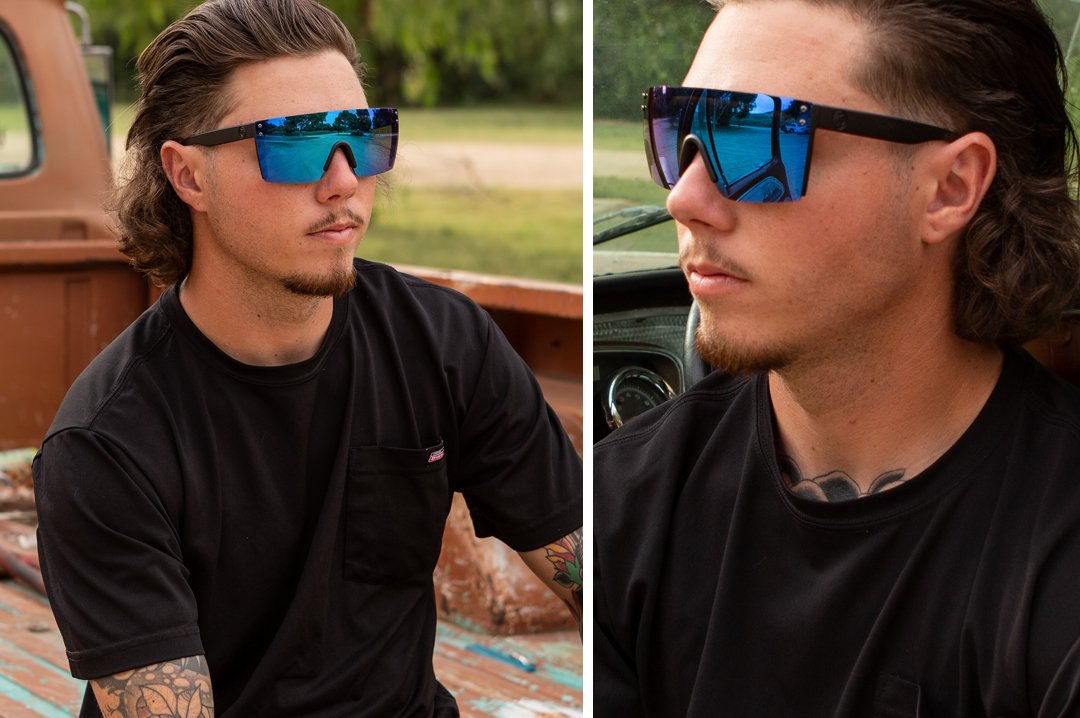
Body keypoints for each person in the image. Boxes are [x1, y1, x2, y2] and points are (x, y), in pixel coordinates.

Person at [32, 1, 583, 716]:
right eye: (296, 145)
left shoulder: (444, 344)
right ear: (189, 176)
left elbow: (593, 575)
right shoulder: (108, 443)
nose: (345, 181)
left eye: (362, 138)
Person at [594, 0, 1080, 715]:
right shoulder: (625, 503)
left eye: (754, 135)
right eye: (679, 132)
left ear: (949, 188)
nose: (683, 196)